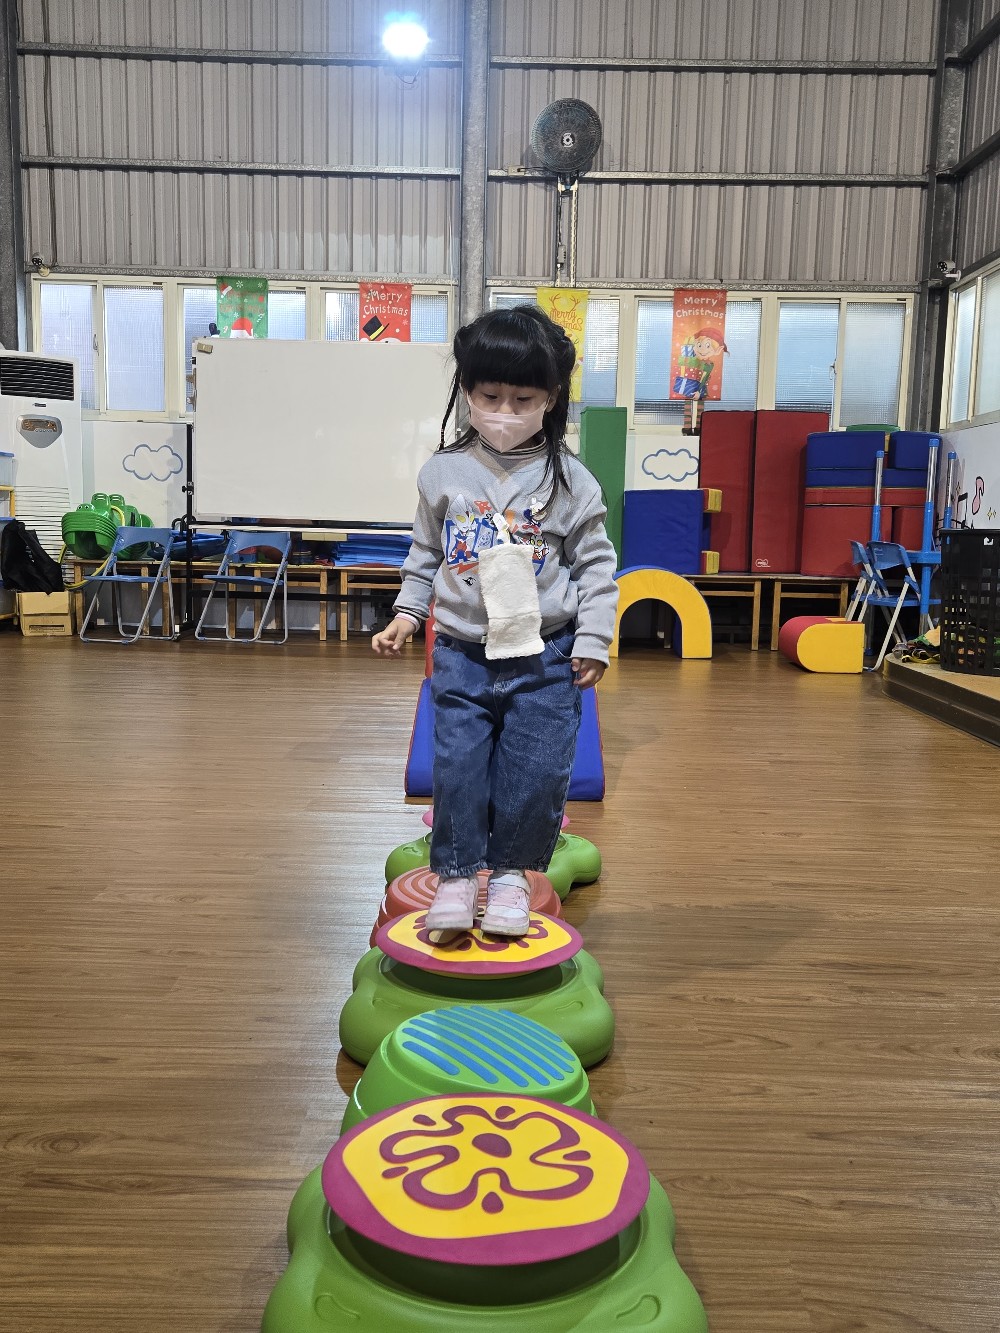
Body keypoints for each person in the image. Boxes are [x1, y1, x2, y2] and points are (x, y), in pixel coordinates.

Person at [372, 306, 618, 937]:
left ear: (551, 398)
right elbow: (425, 553)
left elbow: (595, 566)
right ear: (467, 392)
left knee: (535, 772)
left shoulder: (573, 482)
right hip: (462, 653)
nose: (505, 410)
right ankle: (456, 877)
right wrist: (406, 612)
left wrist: (594, 638)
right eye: (489, 396)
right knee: (458, 766)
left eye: (523, 399)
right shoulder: (443, 472)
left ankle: (512, 877)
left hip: (545, 655)